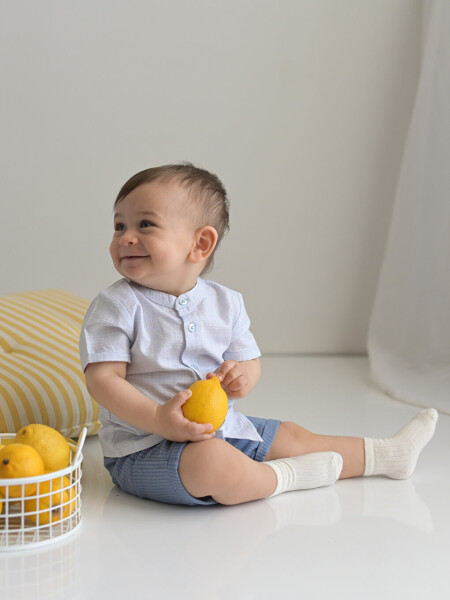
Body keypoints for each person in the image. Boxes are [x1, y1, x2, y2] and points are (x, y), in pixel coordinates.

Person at [79, 163, 438, 506]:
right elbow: (103, 379)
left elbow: (248, 360)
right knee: (213, 463)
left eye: (144, 224)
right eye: (118, 226)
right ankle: (286, 477)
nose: (126, 238)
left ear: (200, 244)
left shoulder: (226, 303)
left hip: (224, 427)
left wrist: (242, 376)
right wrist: (159, 419)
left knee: (294, 435)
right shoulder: (117, 305)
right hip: (144, 449)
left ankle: (387, 454)